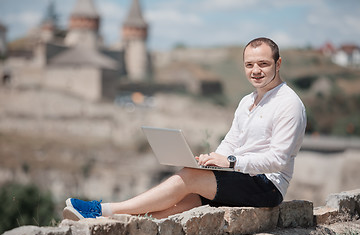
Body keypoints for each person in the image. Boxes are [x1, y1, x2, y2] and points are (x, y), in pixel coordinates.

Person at [63, 37, 307, 221]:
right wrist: (212, 161)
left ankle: (102, 210)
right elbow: (231, 142)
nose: (256, 70)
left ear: (278, 63)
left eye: (263, 64)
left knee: (189, 178)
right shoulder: (246, 101)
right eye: (249, 64)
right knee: (177, 203)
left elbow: (278, 160)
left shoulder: (289, 103)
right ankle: (118, 223)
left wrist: (230, 163)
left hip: (267, 186)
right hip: (240, 177)